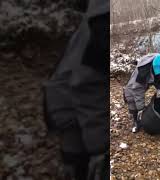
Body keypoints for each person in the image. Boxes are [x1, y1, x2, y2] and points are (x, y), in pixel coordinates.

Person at [42, 0, 108, 179]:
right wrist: (102, 148)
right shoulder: (103, 19)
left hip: (65, 104)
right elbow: (89, 83)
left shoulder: (98, 17)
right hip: (68, 110)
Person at [123, 53, 160, 133]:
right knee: (130, 95)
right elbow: (138, 90)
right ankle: (136, 121)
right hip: (147, 73)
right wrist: (140, 108)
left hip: (158, 72)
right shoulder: (142, 73)